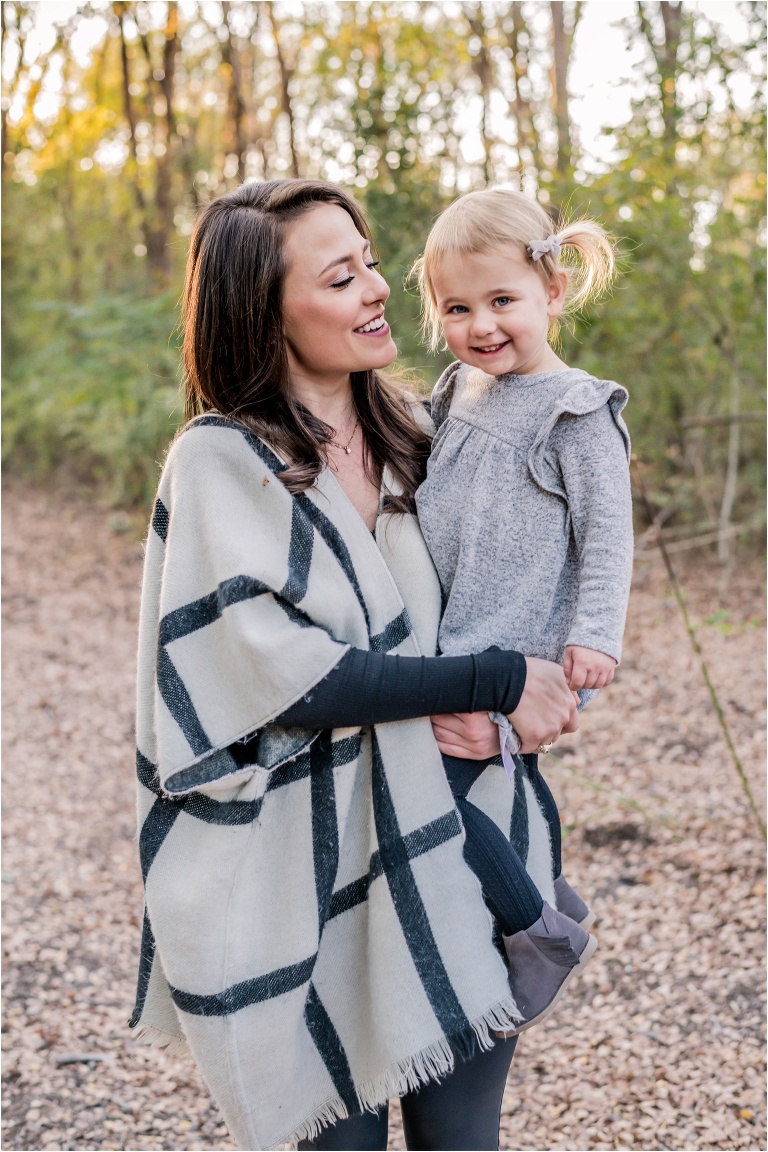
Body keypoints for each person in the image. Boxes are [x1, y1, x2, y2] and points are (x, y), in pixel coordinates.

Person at [130, 179, 579, 1152]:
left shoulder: (424, 435)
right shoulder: (220, 463)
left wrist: (534, 683)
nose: (378, 289)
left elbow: (516, 591)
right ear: (265, 311)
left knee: (465, 1142)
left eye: (371, 261)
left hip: (458, 847)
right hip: (311, 882)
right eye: (342, 277)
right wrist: (494, 680)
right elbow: (291, 677)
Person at [413, 187, 634, 1033]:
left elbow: (608, 534)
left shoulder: (576, 411)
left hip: (520, 649)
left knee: (437, 798)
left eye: (503, 300)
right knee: (453, 792)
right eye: (458, 307)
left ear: (554, 289)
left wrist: (594, 637)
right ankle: (547, 885)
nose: (482, 325)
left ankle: (535, 931)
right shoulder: (458, 390)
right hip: (452, 639)